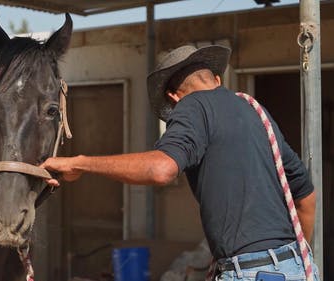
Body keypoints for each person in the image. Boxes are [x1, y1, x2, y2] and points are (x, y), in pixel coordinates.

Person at [40, 44, 319, 280]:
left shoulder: (192, 105)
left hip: (247, 272)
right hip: (294, 267)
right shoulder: (256, 111)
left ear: (174, 96)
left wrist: (81, 163)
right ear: (217, 80)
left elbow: (162, 169)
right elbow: (306, 197)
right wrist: (293, 258)